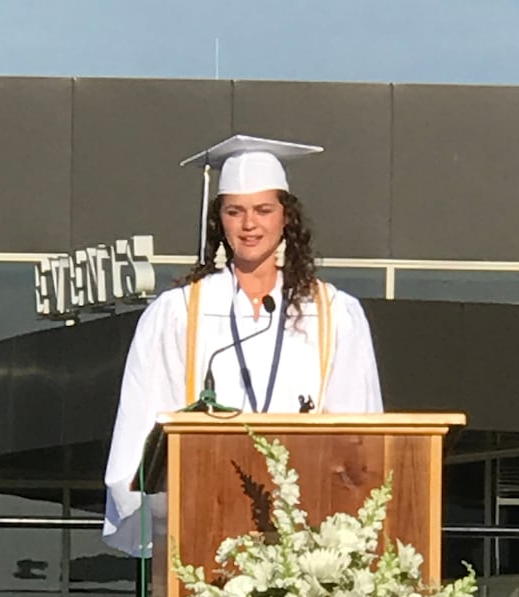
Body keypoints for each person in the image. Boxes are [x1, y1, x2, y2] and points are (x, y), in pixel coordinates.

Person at [104, 135, 383, 556]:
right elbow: (143, 425)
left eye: (263, 210)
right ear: (220, 220)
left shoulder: (332, 313)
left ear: (286, 217)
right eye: (235, 211)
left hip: (308, 531)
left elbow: (360, 432)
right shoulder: (180, 313)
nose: (249, 224)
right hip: (205, 523)